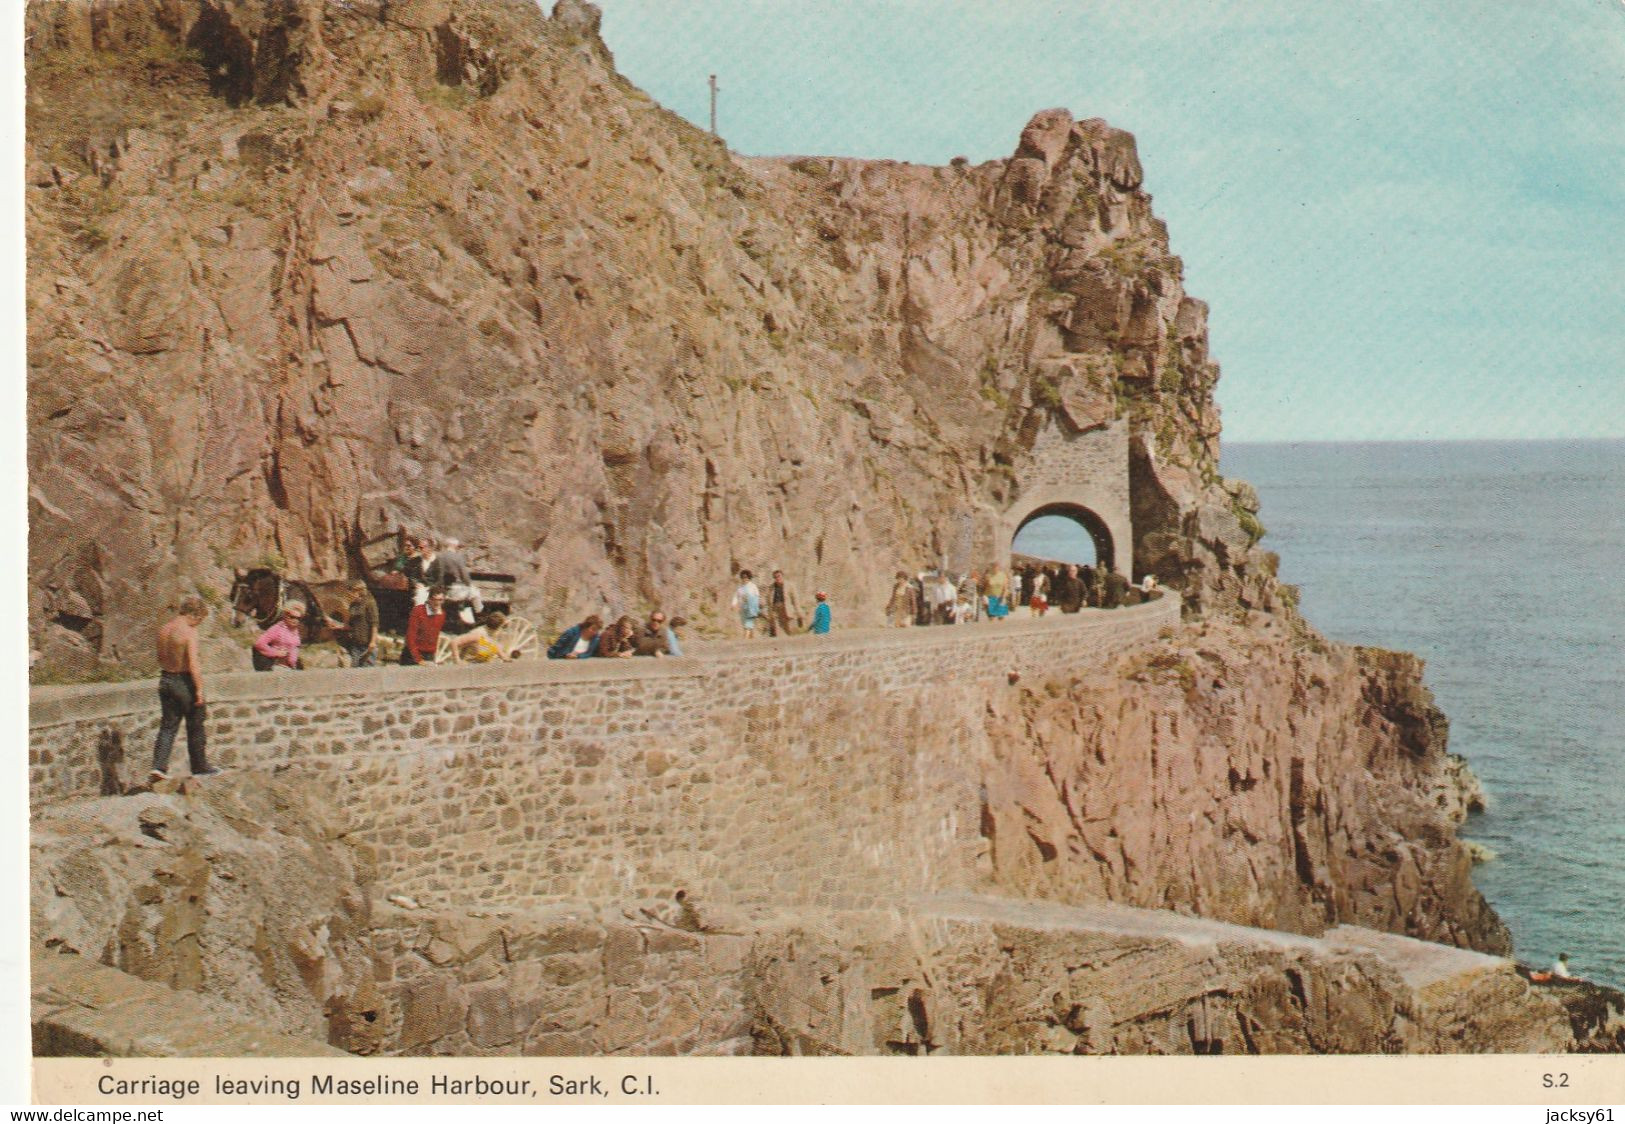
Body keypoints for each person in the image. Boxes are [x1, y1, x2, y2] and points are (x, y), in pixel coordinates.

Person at [150, 595, 219, 782]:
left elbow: (160, 658)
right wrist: (199, 690)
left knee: (168, 726)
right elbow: (194, 664)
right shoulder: (188, 632)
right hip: (184, 680)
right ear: (194, 615)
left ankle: (158, 767)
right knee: (196, 725)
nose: (198, 625)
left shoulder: (163, 630)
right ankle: (200, 766)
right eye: (199, 621)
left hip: (165, 678)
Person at [328, 580, 379, 668]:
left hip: (367, 645)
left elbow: (374, 623)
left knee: (367, 671)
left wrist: (373, 642)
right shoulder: (353, 605)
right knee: (355, 672)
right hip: (355, 644)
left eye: (352, 592)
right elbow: (349, 625)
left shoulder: (370, 602)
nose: (351, 594)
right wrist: (339, 625)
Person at [432, 536, 483, 620]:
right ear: (454, 546)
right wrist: (469, 585)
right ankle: (479, 614)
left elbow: (433, 573)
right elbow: (465, 577)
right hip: (455, 591)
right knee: (475, 592)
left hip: (440, 590)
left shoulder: (438, 556)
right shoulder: (458, 557)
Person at [446, 610, 522, 662]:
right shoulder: (478, 634)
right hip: (468, 666)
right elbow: (454, 642)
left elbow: (500, 653)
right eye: (503, 627)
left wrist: (510, 657)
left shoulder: (492, 637)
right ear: (498, 627)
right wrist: (457, 661)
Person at [252, 603, 304, 670]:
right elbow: (259, 643)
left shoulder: (295, 631)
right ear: (286, 615)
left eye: (298, 618)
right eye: (292, 617)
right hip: (277, 667)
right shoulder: (277, 628)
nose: (295, 620)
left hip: (291, 667)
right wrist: (275, 652)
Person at [401, 588, 447, 665]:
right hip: (412, 654)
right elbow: (410, 637)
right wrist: (418, 659)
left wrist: (434, 657)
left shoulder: (442, 614)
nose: (437, 603)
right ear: (429, 599)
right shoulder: (418, 611)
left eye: (440, 600)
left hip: (429, 655)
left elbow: (435, 637)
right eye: (434, 600)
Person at [764, 568, 804, 637]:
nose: (777, 578)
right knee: (777, 630)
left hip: (786, 609)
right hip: (775, 609)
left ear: (782, 576)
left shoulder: (790, 585)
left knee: (789, 629)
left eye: (779, 576)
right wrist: (769, 614)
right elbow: (768, 601)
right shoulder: (771, 587)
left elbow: (795, 600)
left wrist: (799, 613)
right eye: (775, 577)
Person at [731, 570, 762, 638]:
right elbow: (736, 596)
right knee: (744, 622)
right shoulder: (740, 588)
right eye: (742, 577)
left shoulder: (753, 586)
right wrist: (733, 604)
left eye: (746, 577)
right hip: (743, 608)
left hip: (751, 607)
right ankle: (751, 639)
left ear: (749, 577)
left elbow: (757, 596)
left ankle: (745, 638)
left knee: (748, 623)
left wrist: (756, 606)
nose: (744, 579)